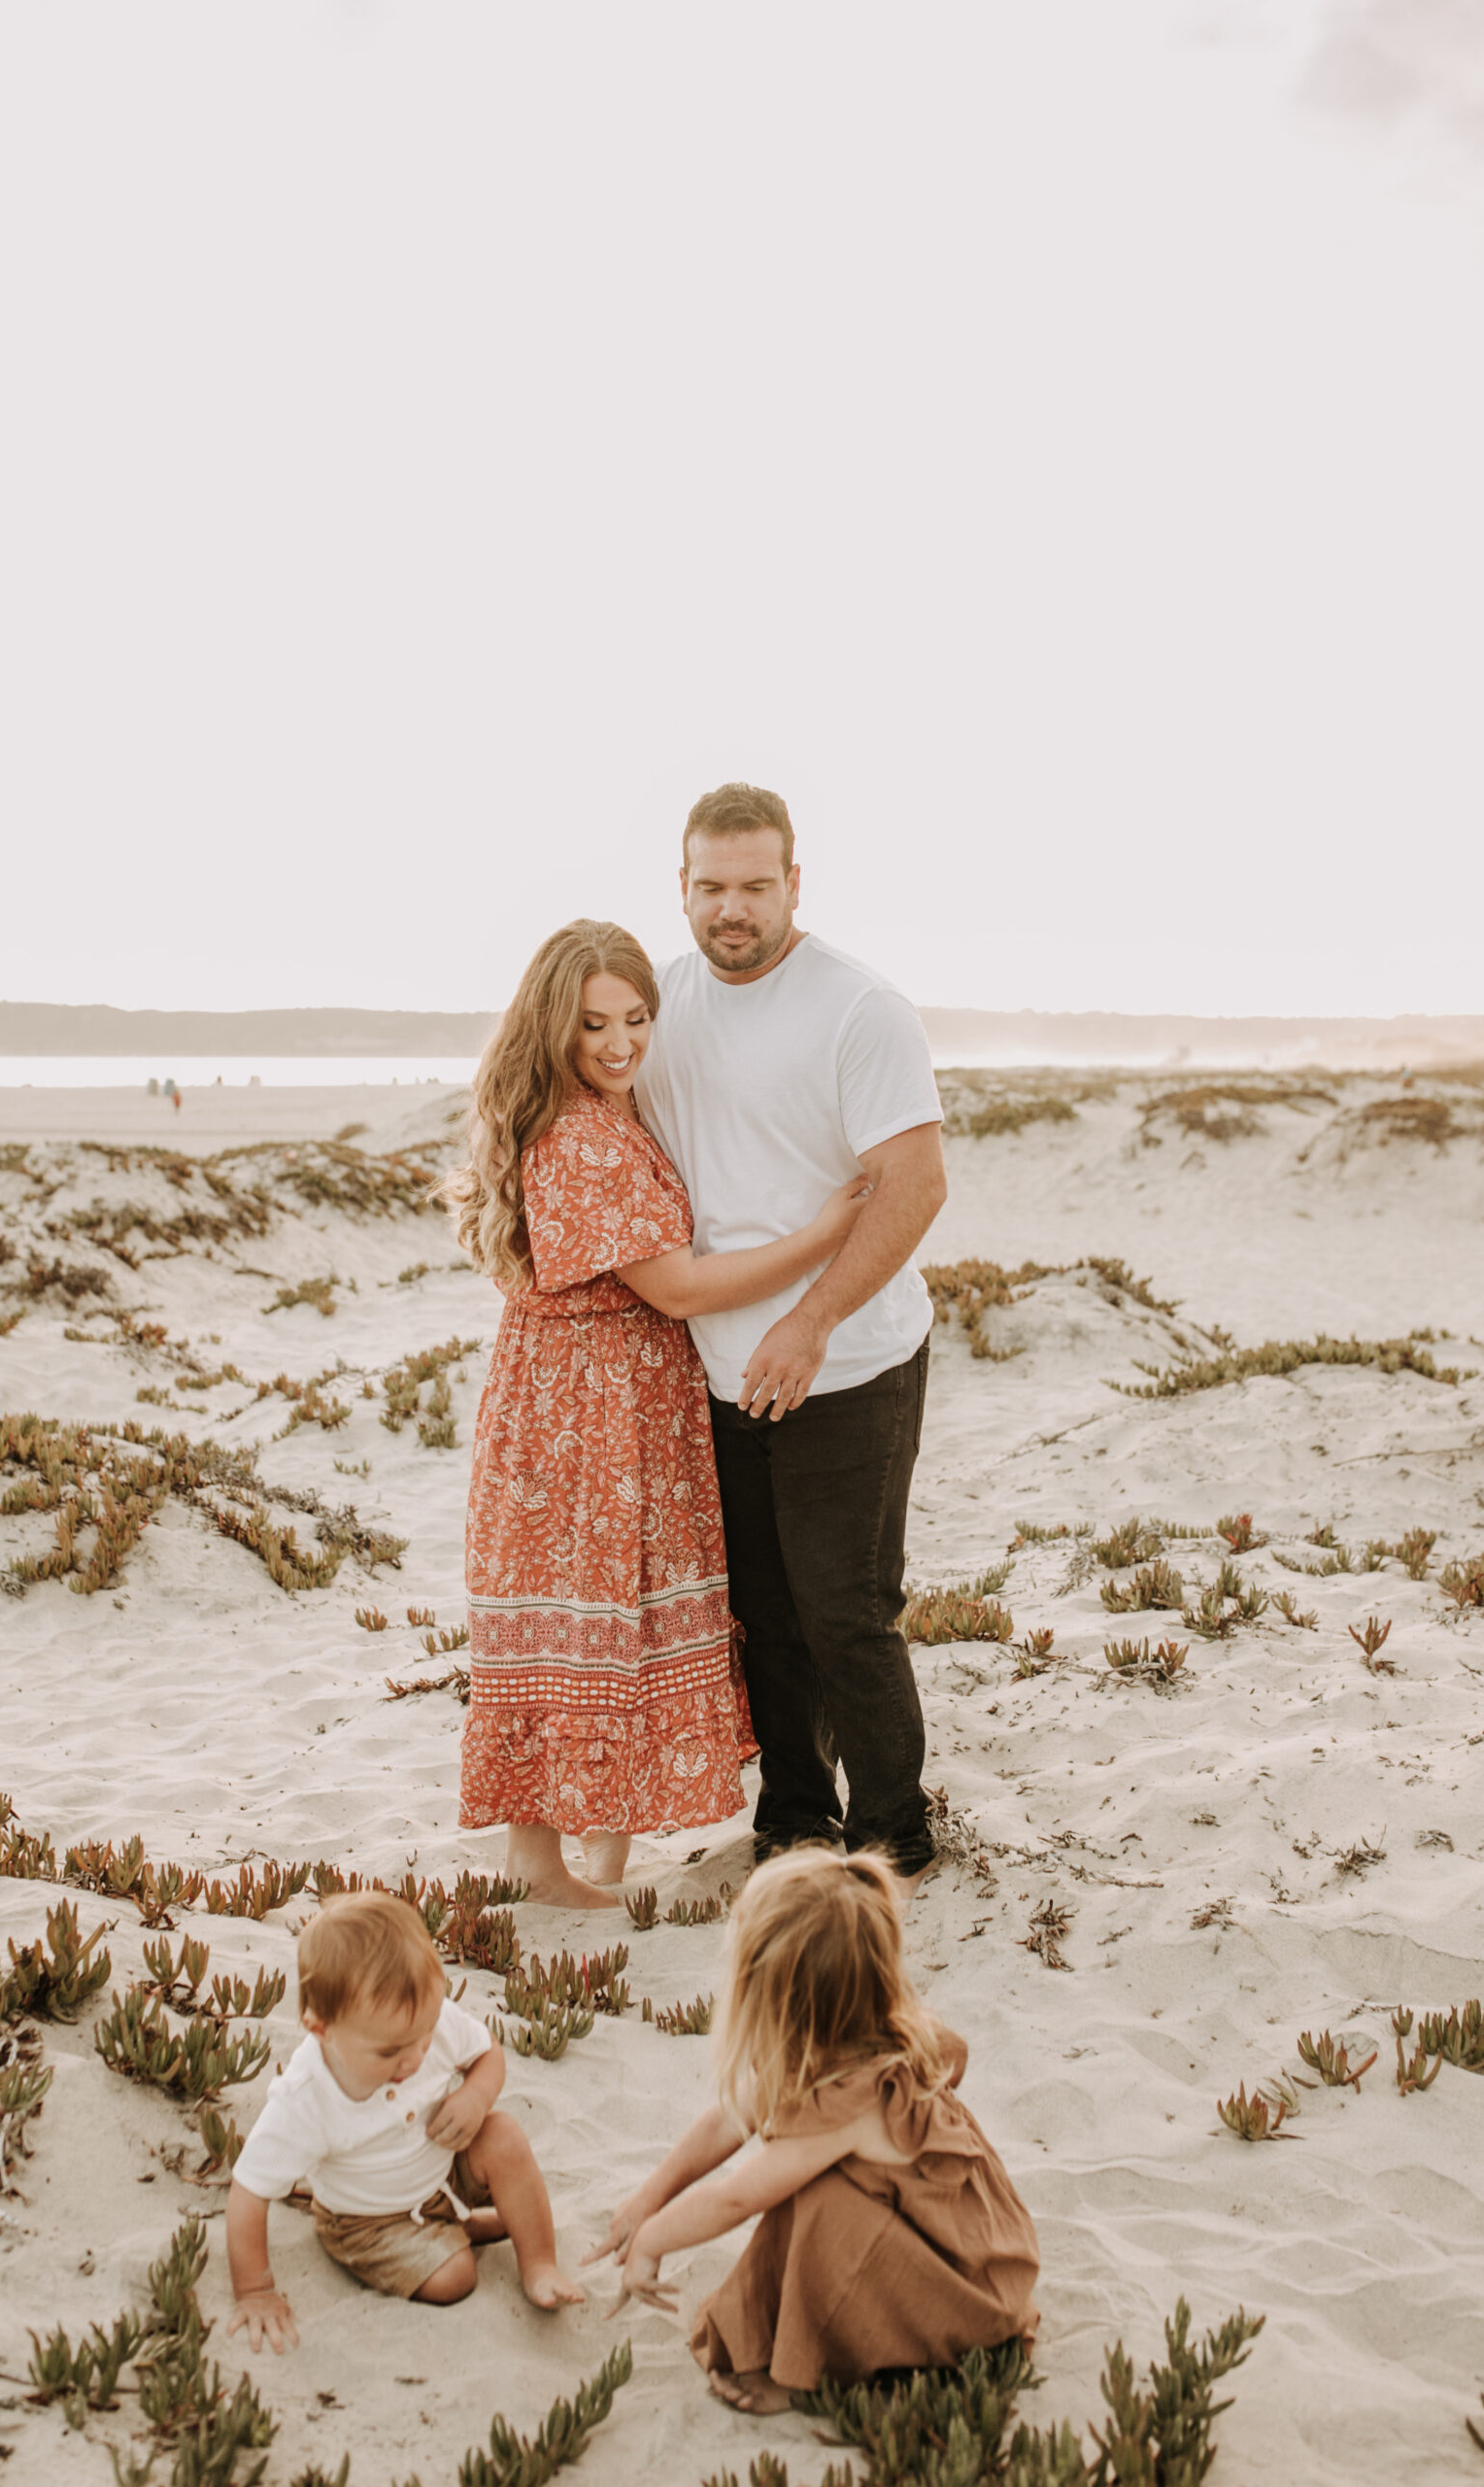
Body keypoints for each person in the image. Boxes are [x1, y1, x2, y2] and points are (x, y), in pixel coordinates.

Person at [447, 920, 868, 1911]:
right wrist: (823, 1234)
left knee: (612, 1612)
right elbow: (676, 1288)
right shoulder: (579, 1135)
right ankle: (536, 1861)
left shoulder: (607, 1111)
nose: (620, 1041)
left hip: (612, 1396)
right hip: (581, 1407)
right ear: (554, 1026)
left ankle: (599, 1850)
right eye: (594, 1023)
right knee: (578, 1617)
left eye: (637, 1017)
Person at [634, 783, 948, 1882]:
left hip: (849, 1362)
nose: (732, 908)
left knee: (845, 1607)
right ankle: (796, 1814)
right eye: (710, 886)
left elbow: (914, 1185)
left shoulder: (858, 1009)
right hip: (718, 1370)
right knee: (762, 1611)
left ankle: (894, 1827)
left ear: (792, 884)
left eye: (754, 886)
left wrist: (811, 1322)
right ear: (680, 887)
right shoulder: (659, 1004)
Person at [588, 1849, 1039, 2411]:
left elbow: (737, 2198)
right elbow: (729, 2120)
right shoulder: (844, 2037)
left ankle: (804, 2374)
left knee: (818, 2202)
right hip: (955, 2250)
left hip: (964, 2295)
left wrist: (655, 2240)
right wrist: (647, 2201)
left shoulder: (856, 2093)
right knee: (821, 2197)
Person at [225, 1891, 581, 2345]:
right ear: (322, 2030)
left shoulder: (420, 2021)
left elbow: (487, 2054)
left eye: (425, 2036)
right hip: (368, 2220)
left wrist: (475, 2096)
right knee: (455, 2279)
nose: (415, 2058)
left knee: (503, 2133)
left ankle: (538, 2264)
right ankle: (458, 2230)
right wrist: (254, 2291)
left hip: (440, 2172)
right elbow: (249, 2192)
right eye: (390, 2052)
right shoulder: (306, 2098)